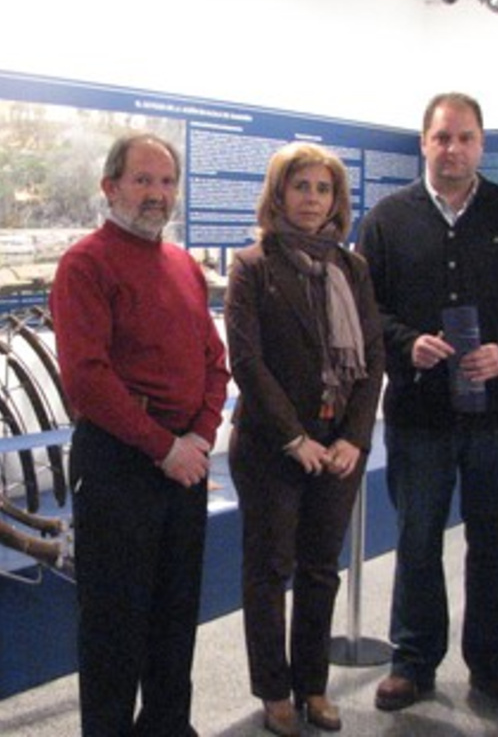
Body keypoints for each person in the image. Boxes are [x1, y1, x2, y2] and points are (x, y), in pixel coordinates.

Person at [357, 92, 498, 713]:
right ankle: (413, 662)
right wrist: (404, 342)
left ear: (481, 144)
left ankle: (492, 663)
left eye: (466, 138)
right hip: (419, 418)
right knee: (417, 540)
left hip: (496, 416)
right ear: (424, 141)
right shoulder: (387, 220)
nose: (454, 149)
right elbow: (368, 311)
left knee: (493, 541)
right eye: (443, 137)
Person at [49, 133, 230, 737]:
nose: (157, 195)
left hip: (185, 463)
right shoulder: (84, 265)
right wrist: (164, 447)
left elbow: (214, 360)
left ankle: (168, 727)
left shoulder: (182, 265)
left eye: (167, 182)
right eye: (142, 181)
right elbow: (88, 379)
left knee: (176, 613)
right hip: (119, 463)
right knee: (112, 624)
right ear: (111, 187)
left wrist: (199, 438)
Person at [224, 143, 385, 736]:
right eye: (302, 187)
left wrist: (356, 439)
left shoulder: (353, 268)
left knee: (321, 569)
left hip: (337, 445)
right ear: (279, 193)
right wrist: (294, 438)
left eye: (324, 189)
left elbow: (372, 358)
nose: (313, 199)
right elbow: (247, 360)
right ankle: (274, 692)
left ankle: (313, 685)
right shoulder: (253, 265)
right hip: (272, 448)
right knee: (269, 571)